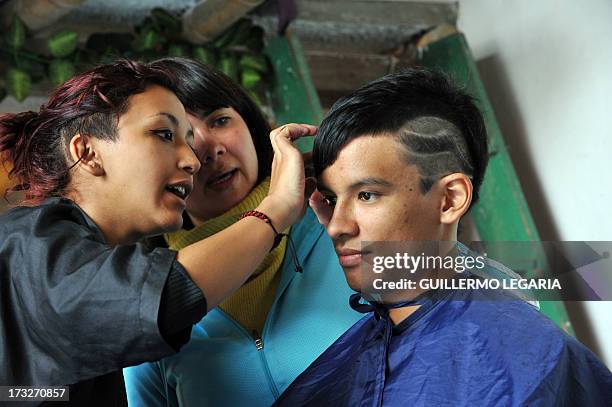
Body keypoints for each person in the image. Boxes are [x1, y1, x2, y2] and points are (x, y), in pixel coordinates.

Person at [274, 69, 612, 406]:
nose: (336, 226)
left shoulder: (537, 365)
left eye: (366, 195)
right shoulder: (337, 366)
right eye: (332, 200)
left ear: (449, 199)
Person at [0, 60, 315, 405]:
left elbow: (387, 277)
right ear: (87, 152)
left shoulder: (333, 218)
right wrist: (276, 209)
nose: (197, 157)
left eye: (220, 120)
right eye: (165, 134)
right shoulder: (36, 247)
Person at [123, 57, 362, 406]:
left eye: (220, 120)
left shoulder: (343, 217)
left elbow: (461, 283)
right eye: (179, 136)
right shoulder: (152, 307)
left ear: (251, 125)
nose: (209, 149)